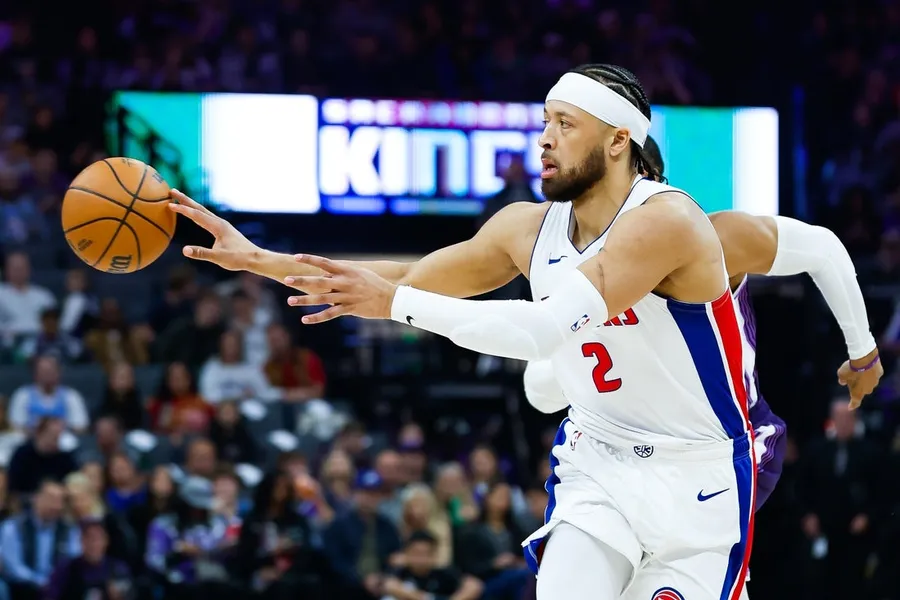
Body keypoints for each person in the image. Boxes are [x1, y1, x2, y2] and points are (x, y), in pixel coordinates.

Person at [168, 64, 882, 599]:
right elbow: (410, 274)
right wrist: (259, 259)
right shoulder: (525, 228)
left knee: (549, 358)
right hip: (599, 460)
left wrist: (863, 349)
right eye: (544, 121)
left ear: (618, 140)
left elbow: (819, 247)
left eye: (565, 124)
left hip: (701, 472)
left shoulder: (673, 223)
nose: (543, 138)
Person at [522, 134, 884, 599]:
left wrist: (864, 351)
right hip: (621, 451)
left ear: (645, 182)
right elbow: (539, 391)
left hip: (718, 445)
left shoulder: (713, 240)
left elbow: (822, 249)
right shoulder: (571, 268)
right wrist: (560, 361)